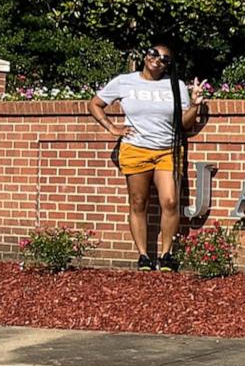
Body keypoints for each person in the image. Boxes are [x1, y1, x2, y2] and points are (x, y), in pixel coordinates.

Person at [87, 44, 207, 271]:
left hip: (167, 150)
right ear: (145, 56)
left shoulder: (176, 85)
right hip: (136, 149)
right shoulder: (125, 81)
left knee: (170, 201)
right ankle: (143, 255)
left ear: (168, 65)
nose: (158, 59)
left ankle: (166, 255)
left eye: (165, 58)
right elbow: (95, 104)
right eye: (153, 53)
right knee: (138, 202)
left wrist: (195, 104)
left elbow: (183, 124)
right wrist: (112, 127)